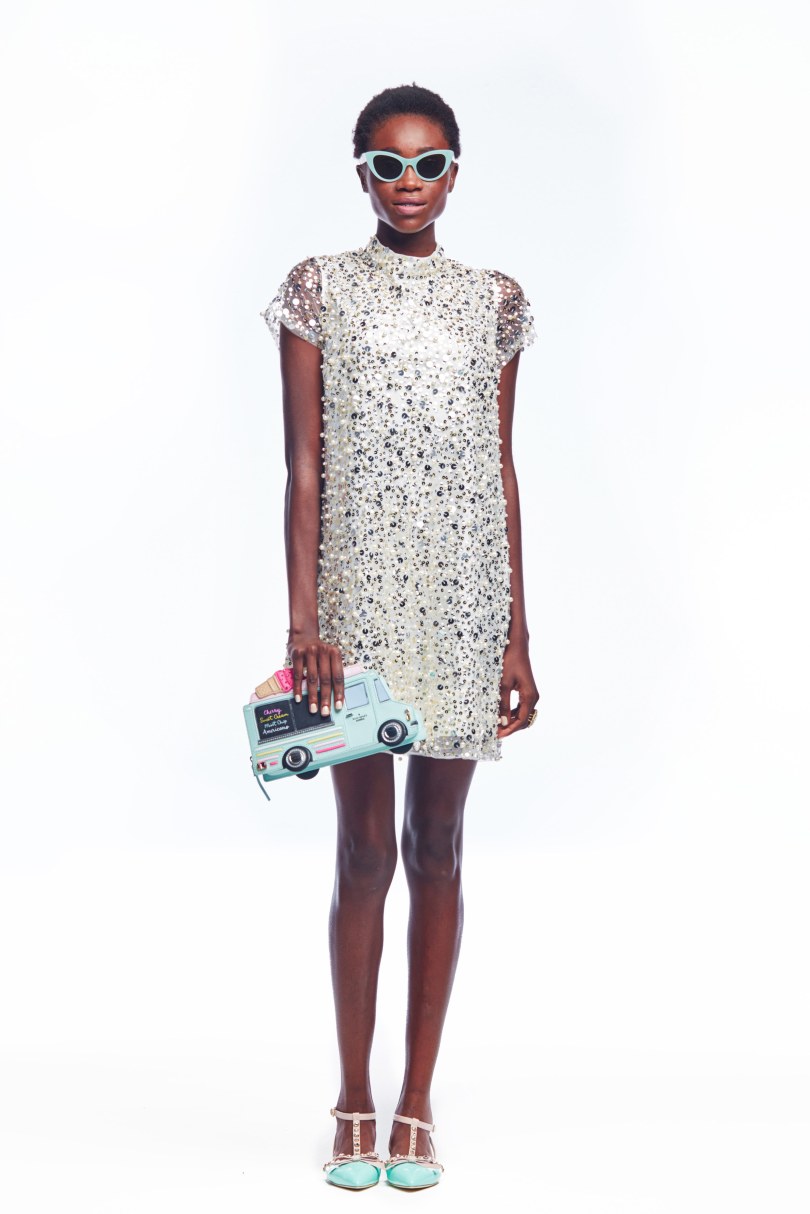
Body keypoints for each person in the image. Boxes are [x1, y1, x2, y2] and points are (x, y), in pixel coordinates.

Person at [259, 83, 539, 1191]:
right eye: (387, 164)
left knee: (439, 847)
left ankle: (418, 1097)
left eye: (427, 163)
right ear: (362, 174)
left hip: (464, 600)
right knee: (365, 851)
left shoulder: (496, 302)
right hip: (354, 611)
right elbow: (303, 466)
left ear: (456, 171)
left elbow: (500, 468)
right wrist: (306, 623)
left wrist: (516, 633)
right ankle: (353, 1096)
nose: (408, 183)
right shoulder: (318, 289)